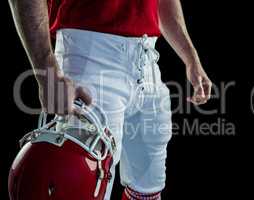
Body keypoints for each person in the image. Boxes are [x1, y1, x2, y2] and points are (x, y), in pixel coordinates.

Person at [8, 0, 212, 199]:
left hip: (148, 61)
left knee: (148, 185)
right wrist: (46, 69)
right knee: (76, 183)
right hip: (90, 57)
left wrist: (190, 57)